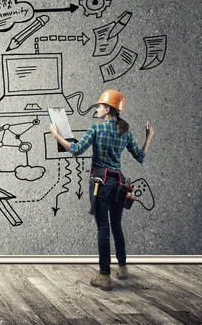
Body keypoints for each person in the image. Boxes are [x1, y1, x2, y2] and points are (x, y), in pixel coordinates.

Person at [49, 90, 154, 291]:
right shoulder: (125, 132)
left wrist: (56, 135)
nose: (97, 109)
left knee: (103, 229)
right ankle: (122, 268)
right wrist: (148, 137)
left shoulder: (96, 129)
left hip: (100, 183)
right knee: (116, 226)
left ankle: (105, 275)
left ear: (107, 109)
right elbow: (140, 156)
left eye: (99, 106)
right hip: (119, 185)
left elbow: (75, 150)